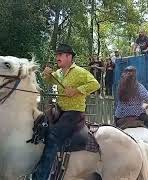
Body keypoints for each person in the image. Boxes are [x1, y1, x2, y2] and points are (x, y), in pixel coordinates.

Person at [32, 43, 100, 180]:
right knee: (38, 128)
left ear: (69, 57)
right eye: (57, 55)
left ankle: (41, 176)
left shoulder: (80, 72)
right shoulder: (58, 73)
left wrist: (76, 90)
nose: (57, 57)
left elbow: (95, 84)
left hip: (73, 113)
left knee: (52, 137)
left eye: (60, 55)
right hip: (59, 111)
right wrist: (47, 76)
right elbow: (51, 83)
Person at [114, 66, 148, 156]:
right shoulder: (138, 86)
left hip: (119, 116)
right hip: (137, 115)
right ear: (135, 75)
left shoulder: (120, 86)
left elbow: (126, 101)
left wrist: (141, 105)